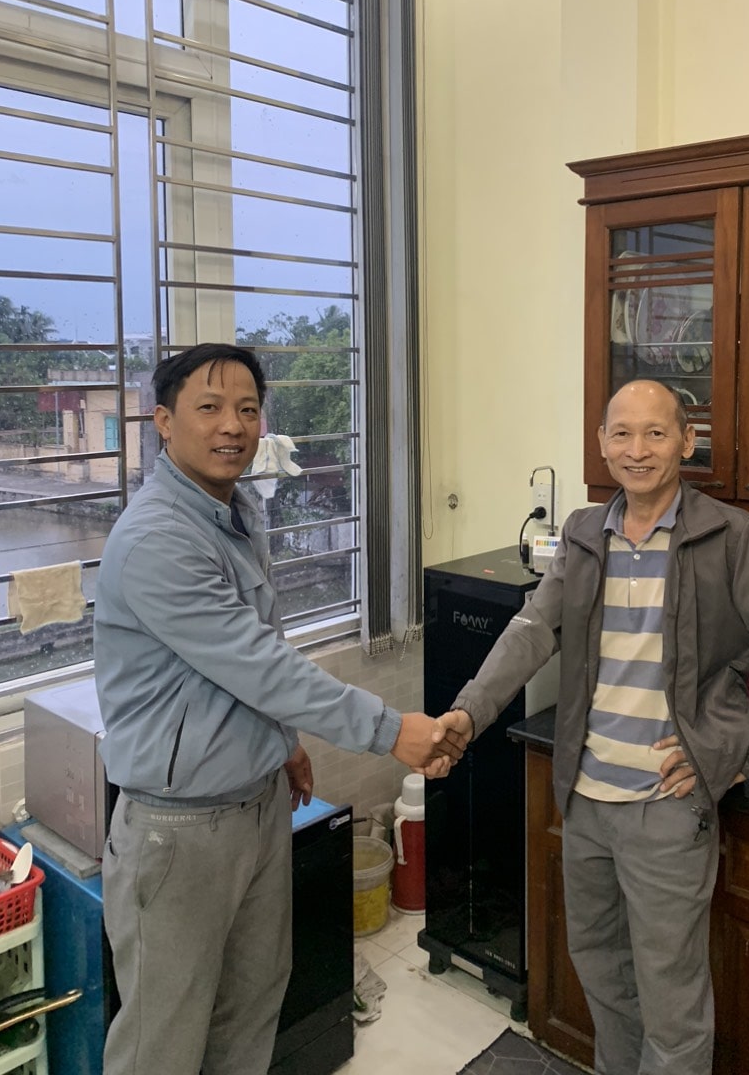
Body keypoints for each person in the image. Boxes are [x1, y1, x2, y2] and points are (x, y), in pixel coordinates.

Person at [435, 379, 749, 1075]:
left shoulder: (730, 537)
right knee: (603, 978)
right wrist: (468, 711)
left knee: (673, 1011)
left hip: (667, 811)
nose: (637, 448)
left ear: (686, 442)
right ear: (601, 444)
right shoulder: (584, 534)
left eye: (656, 432)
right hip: (585, 800)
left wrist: (738, 753)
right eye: (621, 433)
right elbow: (533, 630)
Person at [93, 343, 461, 1075]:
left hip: (258, 806)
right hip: (180, 829)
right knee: (163, 1042)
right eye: (209, 408)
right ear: (163, 422)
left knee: (252, 1009)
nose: (233, 425)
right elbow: (255, 662)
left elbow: (254, 650)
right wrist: (391, 730)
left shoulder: (236, 511)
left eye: (248, 409)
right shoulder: (157, 538)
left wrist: (284, 742)